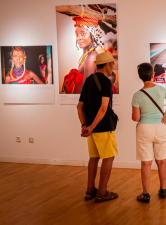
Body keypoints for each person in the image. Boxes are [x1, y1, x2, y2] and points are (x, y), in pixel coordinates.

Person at [131, 63, 166, 203]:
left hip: (144, 129)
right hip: (160, 126)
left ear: (139, 76)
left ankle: (146, 194)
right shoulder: (161, 90)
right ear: (152, 75)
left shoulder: (137, 95)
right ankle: (163, 190)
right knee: (161, 160)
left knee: (146, 163)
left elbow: (135, 118)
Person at [77, 51, 118, 203]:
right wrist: (92, 127)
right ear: (107, 65)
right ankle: (102, 192)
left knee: (94, 157)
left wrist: (84, 125)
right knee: (108, 157)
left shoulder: (88, 80)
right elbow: (103, 108)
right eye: (112, 64)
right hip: (103, 127)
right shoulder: (106, 82)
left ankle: (89, 191)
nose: (113, 67)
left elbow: (79, 106)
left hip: (90, 127)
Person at [63, 16, 106, 94]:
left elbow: (87, 91)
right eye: (77, 35)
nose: (79, 38)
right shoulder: (87, 54)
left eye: (83, 33)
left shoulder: (91, 57)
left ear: (92, 35)